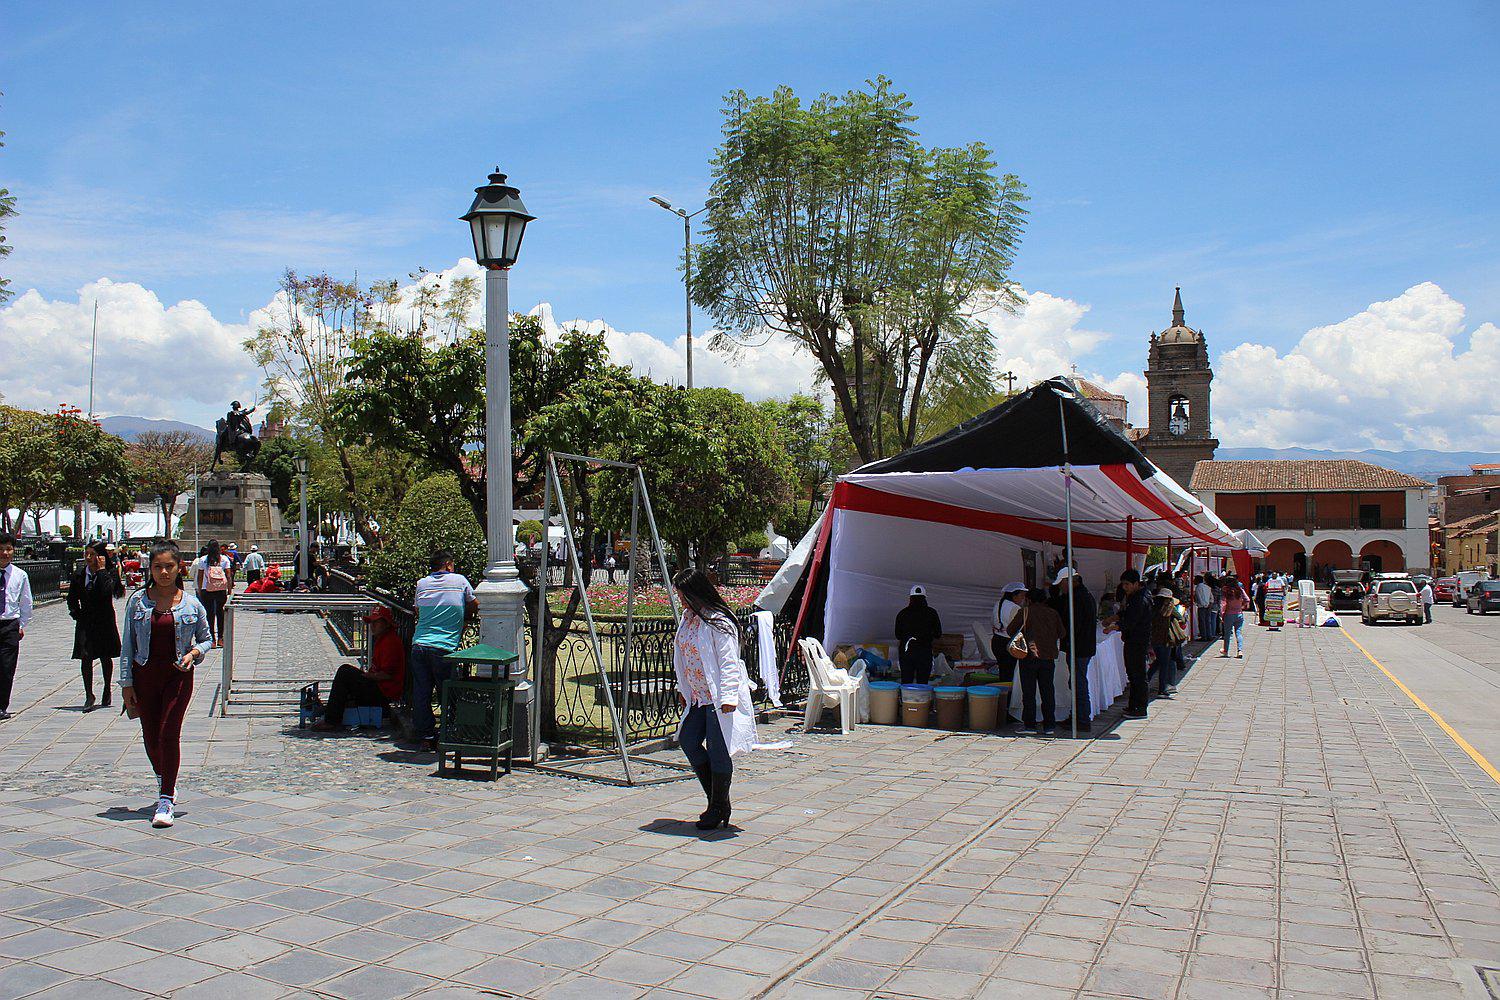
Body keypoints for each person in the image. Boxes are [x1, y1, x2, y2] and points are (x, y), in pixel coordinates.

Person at [120, 542, 212, 828]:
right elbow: (128, 644)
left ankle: (165, 799)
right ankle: (164, 777)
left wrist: (193, 653)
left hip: (177, 676)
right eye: (157, 566)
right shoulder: (138, 602)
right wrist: (126, 683)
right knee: (151, 736)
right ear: (149, 568)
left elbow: (207, 639)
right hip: (145, 675)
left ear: (178, 568)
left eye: (169, 566)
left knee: (168, 733)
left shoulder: (191, 604)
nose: (163, 572)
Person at [671, 568, 755, 831]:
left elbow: (729, 661)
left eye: (683, 596)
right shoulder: (688, 620)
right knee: (688, 740)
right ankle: (718, 801)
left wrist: (729, 696)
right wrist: (683, 689)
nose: (681, 601)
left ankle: (717, 807)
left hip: (717, 698)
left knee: (718, 751)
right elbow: (683, 658)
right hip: (698, 697)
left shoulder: (718, 622)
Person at [409, 550, 478, 750]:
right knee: (447, 692)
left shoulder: (422, 584)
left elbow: (418, 610)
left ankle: (426, 736)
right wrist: (464, 617)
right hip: (444, 646)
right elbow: (474, 603)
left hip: (420, 644)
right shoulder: (460, 581)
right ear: (448, 564)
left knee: (421, 692)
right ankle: (449, 734)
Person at [314, 606, 406, 730]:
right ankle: (332, 711)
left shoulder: (390, 642)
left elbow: (387, 674)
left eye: (376, 622)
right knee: (347, 674)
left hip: (384, 693)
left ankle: (332, 720)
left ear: (386, 624)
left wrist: (368, 676)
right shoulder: (382, 639)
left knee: (345, 672)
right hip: (379, 688)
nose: (372, 626)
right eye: (371, 622)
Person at [68, 541, 124, 711]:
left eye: (92, 554)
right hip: (86, 620)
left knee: (105, 656)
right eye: (86, 554)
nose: (88, 557)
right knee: (85, 656)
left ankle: (107, 687)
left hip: (104, 620)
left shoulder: (109, 572)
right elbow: (72, 598)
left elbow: (109, 591)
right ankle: (89, 694)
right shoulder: (79, 574)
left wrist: (101, 571)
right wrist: (76, 613)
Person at [1054, 567, 1097, 734]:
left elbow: (1074, 626)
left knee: (1078, 684)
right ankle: (1077, 716)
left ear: (1070, 581)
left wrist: (1062, 636)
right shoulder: (1083, 596)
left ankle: (1082, 719)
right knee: (1077, 682)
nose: (1061, 587)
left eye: (1062, 583)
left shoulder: (1078, 599)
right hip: (1081, 647)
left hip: (1079, 647)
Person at [1017, 587, 1064, 736]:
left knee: (1029, 692)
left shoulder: (1025, 612)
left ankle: (1030, 725)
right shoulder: (1053, 613)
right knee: (1047, 691)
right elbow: (1062, 632)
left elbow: (1011, 630)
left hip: (1029, 656)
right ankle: (1049, 725)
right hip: (1048, 657)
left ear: (1029, 599)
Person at [0, 533, 34, 721]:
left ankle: (1, 706)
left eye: (8, 549)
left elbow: (26, 602)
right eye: (1, 549)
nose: (5, 553)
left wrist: (21, 624)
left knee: (6, 668)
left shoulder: (20, 575)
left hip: (9, 625)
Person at [1118, 569, 1152, 719]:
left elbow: (1131, 621)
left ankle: (1140, 707)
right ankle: (1133, 705)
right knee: (1132, 674)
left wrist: (1116, 626)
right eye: (1123, 584)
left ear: (1136, 584)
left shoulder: (1140, 599)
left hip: (1138, 641)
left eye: (1127, 584)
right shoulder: (1134, 597)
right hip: (1133, 640)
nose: (1124, 587)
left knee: (1138, 675)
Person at [894, 585, 942, 685]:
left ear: (910, 598)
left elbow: (898, 635)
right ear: (925, 598)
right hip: (924, 652)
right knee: (922, 683)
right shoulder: (932, 613)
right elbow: (938, 634)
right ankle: (922, 696)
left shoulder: (902, 614)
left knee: (906, 682)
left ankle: (907, 695)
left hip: (906, 652)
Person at [191, 539, 233, 647]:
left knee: (209, 614)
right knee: (220, 613)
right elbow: (228, 575)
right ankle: (221, 638)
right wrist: (229, 590)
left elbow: (200, 576)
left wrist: (199, 589)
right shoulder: (224, 559)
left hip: (207, 589)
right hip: (220, 589)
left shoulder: (203, 559)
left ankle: (212, 639)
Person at [991, 583, 1028, 688]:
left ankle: (1003, 693)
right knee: (1009, 673)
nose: (1023, 598)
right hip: (1009, 643)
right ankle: (1008, 695)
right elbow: (1019, 628)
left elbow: (992, 622)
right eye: (1022, 595)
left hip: (996, 640)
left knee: (1003, 671)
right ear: (1014, 595)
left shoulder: (998, 604)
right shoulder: (1015, 608)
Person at [1150, 586, 1185, 697]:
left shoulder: (1153, 607)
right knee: (1164, 664)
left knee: (1159, 661)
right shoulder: (1170, 607)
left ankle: (1147, 678)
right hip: (1166, 638)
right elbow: (1181, 618)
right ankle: (1162, 689)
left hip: (1154, 637)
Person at [1220, 573, 1251, 657]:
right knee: (1238, 633)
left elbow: (1223, 604)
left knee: (1227, 634)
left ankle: (1225, 651)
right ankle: (1240, 650)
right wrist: (1242, 606)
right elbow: (1247, 599)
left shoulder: (1225, 590)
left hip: (1228, 614)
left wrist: (1222, 614)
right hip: (1239, 614)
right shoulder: (1239, 590)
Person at [1193, 574, 1213, 640]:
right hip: (1208, 605)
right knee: (1207, 621)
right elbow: (1211, 597)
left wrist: (1204, 604)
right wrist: (1209, 603)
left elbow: (1199, 597)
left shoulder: (1198, 587)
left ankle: (1204, 636)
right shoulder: (1207, 587)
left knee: (1202, 621)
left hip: (1202, 606)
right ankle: (1209, 635)